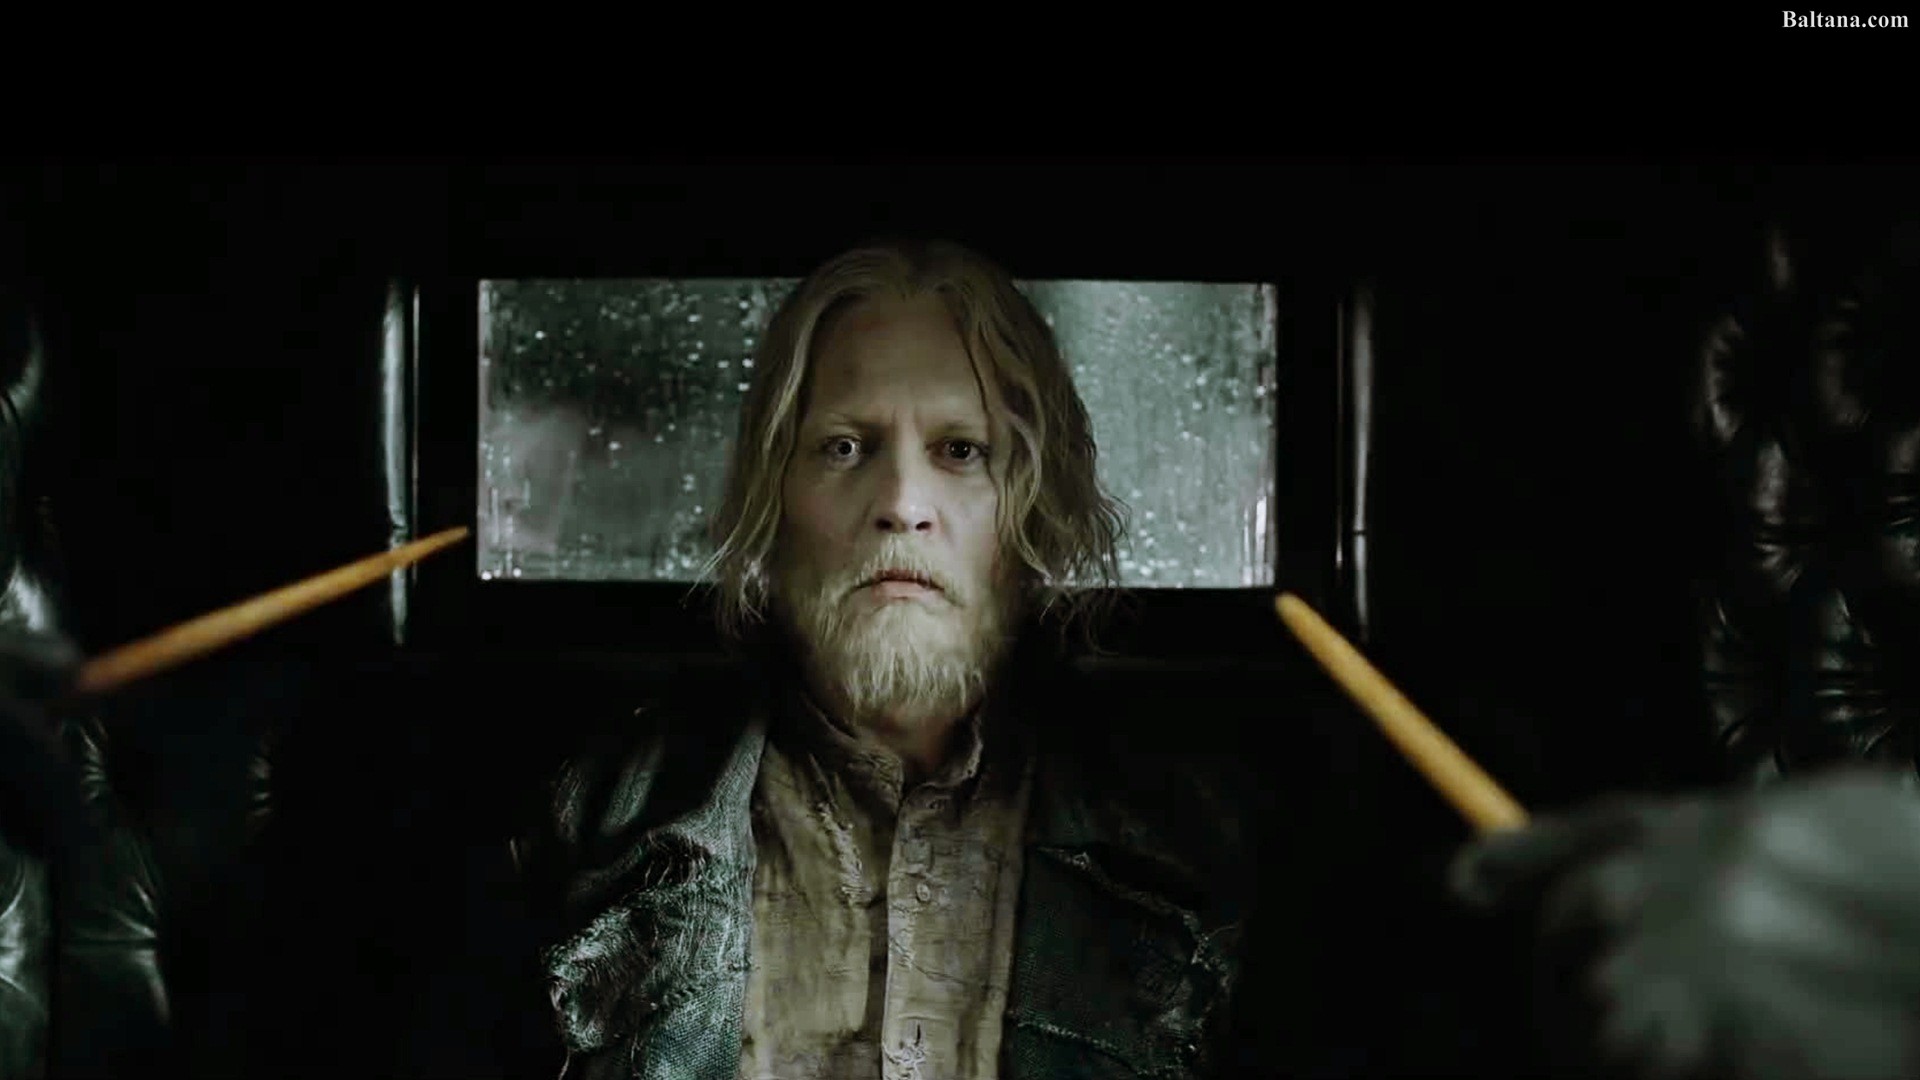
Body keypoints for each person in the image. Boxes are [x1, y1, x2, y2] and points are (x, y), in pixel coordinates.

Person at [512, 239, 1270, 1080]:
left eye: (961, 449)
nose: (903, 503)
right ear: (775, 497)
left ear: (1032, 506)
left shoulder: (1205, 847)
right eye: (844, 446)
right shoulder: (586, 825)